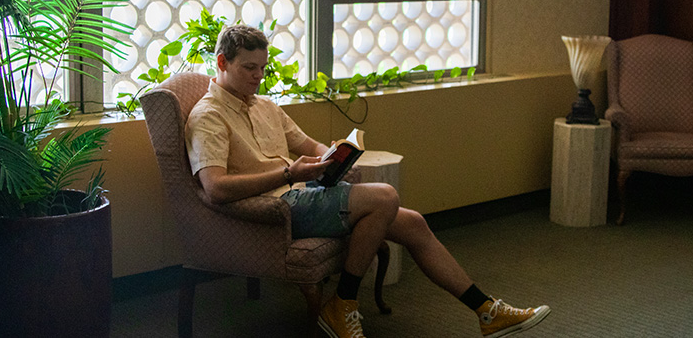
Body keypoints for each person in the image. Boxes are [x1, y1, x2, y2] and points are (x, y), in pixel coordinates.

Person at [185, 24, 550, 338]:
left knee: (412, 222)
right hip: (275, 208)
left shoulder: (264, 105)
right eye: (249, 68)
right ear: (222, 63)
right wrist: (288, 173)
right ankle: (342, 303)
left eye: (262, 69)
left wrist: (336, 155)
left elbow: (307, 145)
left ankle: (487, 311)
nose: (257, 76)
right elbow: (215, 188)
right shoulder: (208, 117)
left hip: (305, 193)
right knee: (384, 196)